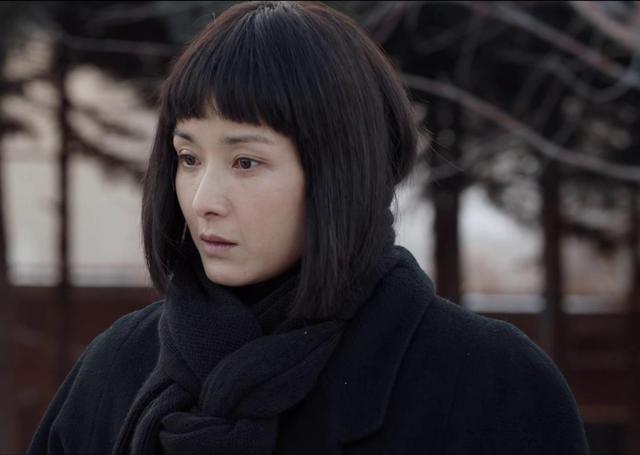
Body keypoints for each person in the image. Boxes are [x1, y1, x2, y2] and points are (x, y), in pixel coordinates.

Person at [28, 1, 589, 454]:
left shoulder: (485, 384)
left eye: (246, 162)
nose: (203, 201)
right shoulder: (118, 367)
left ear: (340, 171)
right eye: (189, 157)